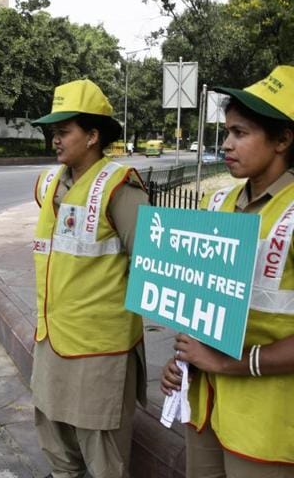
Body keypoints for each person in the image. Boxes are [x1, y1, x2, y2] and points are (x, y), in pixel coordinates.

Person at [161, 65, 294, 477]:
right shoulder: (217, 202)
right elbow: (200, 300)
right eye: (227, 131)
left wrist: (227, 363)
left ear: (283, 140)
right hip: (205, 406)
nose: (227, 143)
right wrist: (182, 360)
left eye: (241, 132)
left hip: (266, 423)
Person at [30, 79, 149, 478]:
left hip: (100, 352)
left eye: (64, 132)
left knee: (103, 457)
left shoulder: (121, 188)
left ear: (93, 135)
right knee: (56, 444)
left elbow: (153, 264)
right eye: (53, 132)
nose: (55, 141)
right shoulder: (51, 183)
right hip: (52, 339)